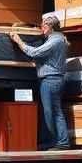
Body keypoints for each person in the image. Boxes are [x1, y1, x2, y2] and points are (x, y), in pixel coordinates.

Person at [10, 15, 70, 150]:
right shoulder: (56, 39)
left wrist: (19, 41)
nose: (42, 28)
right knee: (50, 112)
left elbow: (35, 52)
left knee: (53, 112)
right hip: (51, 80)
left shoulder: (55, 41)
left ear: (50, 27)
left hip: (51, 80)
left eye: (44, 25)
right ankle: (52, 142)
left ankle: (62, 143)